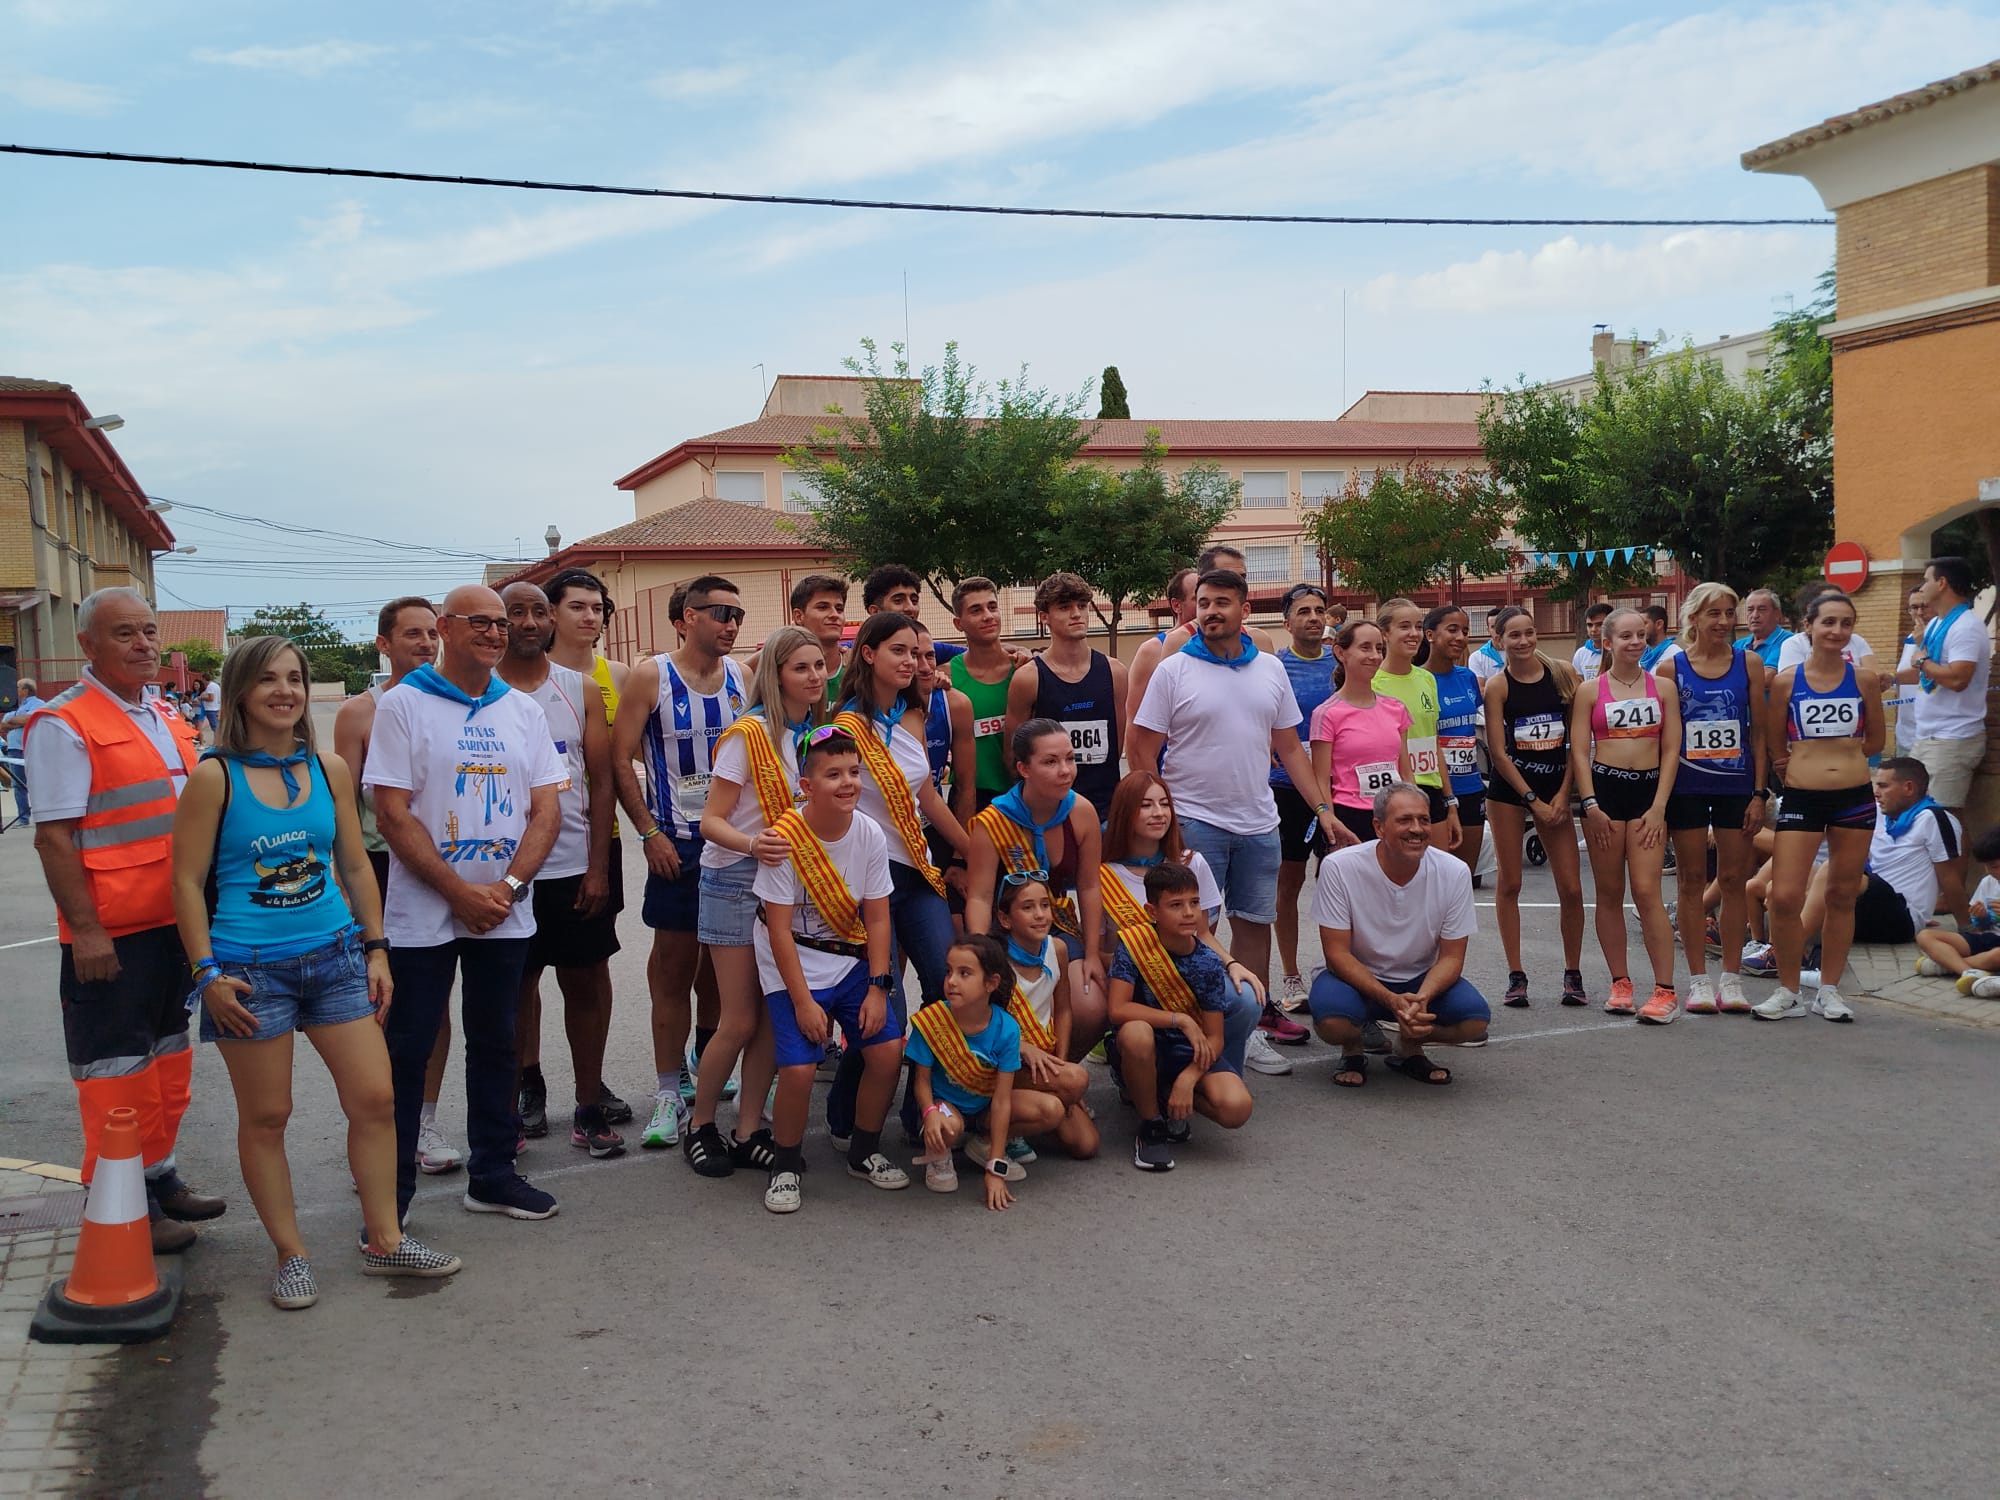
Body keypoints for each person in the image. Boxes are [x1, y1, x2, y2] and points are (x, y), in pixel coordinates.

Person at [171, 636, 460, 1308]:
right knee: (268, 1116)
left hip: (335, 957)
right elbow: (185, 883)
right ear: (240, 690)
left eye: (296, 679)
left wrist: (377, 948)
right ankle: (291, 1254)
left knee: (377, 1100)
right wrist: (206, 974)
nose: (286, 691)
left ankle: (386, 1239)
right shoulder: (215, 776)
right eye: (269, 679)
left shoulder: (328, 768)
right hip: (248, 971)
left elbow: (355, 865)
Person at [25, 587, 223, 1254]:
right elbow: (54, 839)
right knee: (115, 1073)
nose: (142, 645)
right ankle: (121, 1203)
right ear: (87, 645)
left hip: (174, 924)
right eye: (124, 634)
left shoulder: (163, 713)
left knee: (166, 1063)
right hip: (112, 934)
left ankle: (159, 1176)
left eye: (147, 632)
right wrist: (86, 930)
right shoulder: (64, 723)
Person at [366, 582, 567, 1222]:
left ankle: (493, 1175)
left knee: (497, 1042)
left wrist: (505, 890)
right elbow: (390, 813)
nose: (494, 633)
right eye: (478, 622)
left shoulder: (522, 710)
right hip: (423, 914)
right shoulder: (402, 705)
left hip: (504, 911)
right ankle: (392, 1200)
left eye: (500, 623)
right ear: (445, 629)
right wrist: (458, 892)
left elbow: (547, 808)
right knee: (409, 1048)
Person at [1127, 568, 1339, 1007]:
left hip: (1260, 824)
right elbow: (1141, 748)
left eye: (1221, 603)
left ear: (1244, 611)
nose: (1210, 611)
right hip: (1192, 821)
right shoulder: (1174, 670)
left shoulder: (1269, 670)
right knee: (1188, 926)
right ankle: (1191, 1020)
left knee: (1254, 924)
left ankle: (1252, 1021)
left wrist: (1322, 809)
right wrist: (1163, 816)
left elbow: (1291, 751)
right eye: (1203, 603)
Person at [686, 625, 826, 1177]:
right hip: (736, 878)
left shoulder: (817, 733)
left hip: (789, 884)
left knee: (773, 1016)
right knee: (739, 1019)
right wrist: (753, 842)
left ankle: (748, 1130)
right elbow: (710, 820)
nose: (813, 676)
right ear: (775, 674)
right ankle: (701, 1126)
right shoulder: (749, 736)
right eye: (801, 668)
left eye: (818, 666)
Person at [827, 611, 971, 1142]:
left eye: (917, 653)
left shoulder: (904, 723)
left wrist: (973, 852)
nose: (913, 661)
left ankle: (922, 1107)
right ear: (868, 654)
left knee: (949, 984)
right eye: (901, 651)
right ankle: (848, 1115)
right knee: (885, 1008)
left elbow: (926, 799)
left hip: (916, 876)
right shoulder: (844, 727)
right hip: (871, 880)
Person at [332, 597, 464, 1173]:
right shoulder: (360, 713)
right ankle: (376, 1128)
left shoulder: (455, 704)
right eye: (411, 634)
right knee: (383, 1002)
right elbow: (344, 809)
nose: (425, 643)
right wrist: (350, 887)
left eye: (430, 633)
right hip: (384, 870)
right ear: (383, 643)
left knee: (435, 1008)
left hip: (446, 866)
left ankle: (424, 1123)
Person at [611, 575, 743, 1149]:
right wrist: (648, 832)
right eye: (719, 612)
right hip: (679, 845)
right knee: (671, 968)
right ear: (685, 617)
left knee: (722, 968)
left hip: (733, 845)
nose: (731, 623)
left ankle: (707, 1066)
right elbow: (619, 761)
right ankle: (667, 1090)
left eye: (736, 614)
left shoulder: (744, 676)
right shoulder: (651, 675)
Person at [756, 726, 909, 1213]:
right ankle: (785, 1164)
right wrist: (802, 1002)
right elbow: (779, 930)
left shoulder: (866, 832)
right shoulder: (786, 839)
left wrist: (879, 988)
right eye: (833, 774)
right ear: (806, 786)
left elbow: (879, 916)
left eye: (854, 772)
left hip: (847, 960)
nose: (848, 783)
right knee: (799, 1069)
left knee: (887, 1049)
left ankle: (863, 1150)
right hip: (792, 965)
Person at [493, 582, 622, 1159]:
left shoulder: (579, 689)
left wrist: (598, 867)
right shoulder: (477, 690)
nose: (525, 621)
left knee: (586, 982)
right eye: (512, 612)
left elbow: (601, 780)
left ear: (551, 621)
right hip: (502, 871)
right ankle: (528, 1086)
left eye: (536, 611)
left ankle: (589, 1103)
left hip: (572, 864)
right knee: (517, 988)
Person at [536, 566, 636, 1127]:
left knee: (590, 970)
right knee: (523, 975)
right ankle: (529, 1083)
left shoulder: (615, 674)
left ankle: (590, 1085)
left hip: (599, 840)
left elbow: (623, 762)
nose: (590, 617)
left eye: (598, 608)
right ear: (552, 614)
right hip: (526, 852)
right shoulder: (520, 678)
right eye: (578, 606)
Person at [1308, 782, 1490, 1087]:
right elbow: (1336, 954)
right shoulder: (1340, 866)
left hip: (1419, 979)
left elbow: (1452, 957)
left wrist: (1420, 1000)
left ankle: (1409, 1046)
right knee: (1331, 1021)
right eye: (1404, 820)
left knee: (1474, 1021)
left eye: (1424, 820)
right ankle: (1352, 1048)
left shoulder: (1455, 872)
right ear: (1378, 826)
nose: (1417, 829)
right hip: (1357, 978)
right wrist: (1391, 1000)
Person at [1098, 770, 1279, 1076]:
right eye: (1145, 805)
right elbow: (1103, 948)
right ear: (1124, 812)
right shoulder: (1104, 874)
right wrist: (1145, 967)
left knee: (1246, 998)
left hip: (1189, 974)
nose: (1158, 814)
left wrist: (1231, 962)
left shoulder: (1191, 862)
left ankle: (1221, 1073)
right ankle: (1131, 1069)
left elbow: (1203, 933)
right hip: (1132, 981)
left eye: (1164, 804)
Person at [1757, 589, 1884, 1023]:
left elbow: (1877, 741)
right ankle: (1788, 991)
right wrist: (1790, 765)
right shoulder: (1788, 679)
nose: (1837, 631)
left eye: (1845, 623)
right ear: (1808, 626)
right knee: (1786, 895)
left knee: (1841, 894)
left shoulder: (1863, 679)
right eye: (1828, 622)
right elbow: (1776, 738)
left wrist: (1841, 760)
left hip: (1853, 799)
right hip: (1803, 799)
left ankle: (1829, 990)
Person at [1571, 607, 1683, 1022]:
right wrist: (1590, 803)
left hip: (1647, 794)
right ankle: (1620, 983)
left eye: (1641, 635)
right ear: (1607, 642)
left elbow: (1671, 749)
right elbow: (1581, 752)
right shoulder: (1590, 690)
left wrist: (1659, 806)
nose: (1635, 643)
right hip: (1604, 794)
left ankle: (1665, 989)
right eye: (1625, 637)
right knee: (1609, 892)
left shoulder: (1663, 687)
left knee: (1647, 890)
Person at [1661, 581, 1767, 1016]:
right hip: (1686, 786)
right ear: (1693, 618)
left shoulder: (1749, 663)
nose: (1724, 622)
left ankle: (1732, 978)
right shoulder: (1672, 669)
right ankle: (1698, 981)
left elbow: (1758, 732)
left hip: (1735, 786)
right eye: (1714, 613)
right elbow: (1666, 738)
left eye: (1729, 612)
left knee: (1733, 881)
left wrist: (1760, 792)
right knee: (1688, 881)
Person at [1106, 862, 1254, 1171]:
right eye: (1176, 905)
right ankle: (1151, 1126)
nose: (1189, 913)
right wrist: (1180, 1019)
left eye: (1194, 903)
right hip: (1146, 1045)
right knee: (1136, 1033)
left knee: (1236, 1108)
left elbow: (1214, 1037)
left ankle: (1165, 1094)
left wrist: (1188, 1079)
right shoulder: (1133, 945)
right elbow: (1117, 1009)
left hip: (1190, 1049)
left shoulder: (1208, 961)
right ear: (1152, 911)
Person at [963, 719, 1105, 1029]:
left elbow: (1090, 887)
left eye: (1070, 758)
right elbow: (979, 896)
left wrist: (1092, 954)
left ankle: (1055, 1066)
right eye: (1050, 762)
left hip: (1055, 924)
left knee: (1091, 1005)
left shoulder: (1082, 812)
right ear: (1024, 769)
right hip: (1004, 931)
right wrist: (981, 954)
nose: (1065, 770)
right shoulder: (992, 822)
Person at [907, 935, 1066, 1206]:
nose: (952, 981)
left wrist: (996, 1167)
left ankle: (984, 1143)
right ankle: (939, 1153)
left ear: (991, 983)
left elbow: (1002, 1101)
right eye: (949, 971)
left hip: (984, 1108)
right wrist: (929, 1112)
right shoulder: (932, 1020)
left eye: (964, 973)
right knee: (947, 1124)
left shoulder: (1007, 1029)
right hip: (944, 1107)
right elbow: (920, 1082)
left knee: (1052, 1109)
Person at [1481, 605, 1586, 1008]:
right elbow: (1498, 752)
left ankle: (1572, 973)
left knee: (1572, 887)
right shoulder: (1498, 686)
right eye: (1514, 636)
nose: (1523, 641)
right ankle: (1516, 974)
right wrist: (1531, 800)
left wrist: (1562, 795)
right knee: (1510, 883)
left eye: (1529, 633)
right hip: (1512, 791)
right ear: (1498, 641)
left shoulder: (1563, 674)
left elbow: (1575, 744)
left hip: (1556, 788)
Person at [1004, 571, 1128, 819]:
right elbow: (1013, 754)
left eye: (1082, 606)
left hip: (1105, 810)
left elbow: (1117, 745)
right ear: (1044, 617)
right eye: (1064, 607)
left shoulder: (1115, 672)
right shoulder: (1028, 678)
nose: (1076, 614)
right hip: (1050, 812)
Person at [991, 876, 1098, 1161]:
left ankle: (1037, 1110)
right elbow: (982, 1022)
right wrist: (1024, 1049)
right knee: (1074, 1082)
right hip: (1000, 1063)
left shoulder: (1057, 949)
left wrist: (1059, 1066)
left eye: (1045, 906)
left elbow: (1063, 1009)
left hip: (1043, 1057)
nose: (1040, 915)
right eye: (1027, 907)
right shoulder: (994, 957)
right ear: (1004, 918)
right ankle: (984, 1131)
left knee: (1085, 1144)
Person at [1267, 583, 1338, 1009]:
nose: (1313, 617)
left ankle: (1337, 969)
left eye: (1319, 610)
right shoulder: (1274, 667)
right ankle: (1292, 977)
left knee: (1337, 885)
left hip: (1337, 789)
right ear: (1286, 621)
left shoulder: (1341, 663)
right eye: (1304, 611)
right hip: (1286, 790)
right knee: (1288, 885)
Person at [1124, 545, 1276, 734]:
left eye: (1242, 577)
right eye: (1227, 575)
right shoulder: (1173, 644)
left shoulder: (1261, 642)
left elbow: (1277, 719)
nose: (1237, 583)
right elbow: (1139, 722)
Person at [1310, 617, 1414, 849]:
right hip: (1350, 816)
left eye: (1379, 648)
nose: (1375, 656)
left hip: (1393, 813)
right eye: (1365, 648)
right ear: (1340, 652)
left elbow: (1405, 770)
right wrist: (1331, 825)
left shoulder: (1396, 708)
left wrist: (1414, 811)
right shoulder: (1327, 714)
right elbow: (1320, 779)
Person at [1904, 555, 1991, 820]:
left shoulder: (1965, 626)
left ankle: (1954, 864)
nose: (1922, 587)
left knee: (1944, 820)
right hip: (1928, 735)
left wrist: (1921, 659)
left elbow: (1956, 678)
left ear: (1941, 583)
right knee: (1921, 817)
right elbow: (1927, 669)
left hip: (1953, 738)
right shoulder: (1939, 623)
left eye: (1926, 580)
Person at [1374, 596, 1459, 850]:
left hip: (1431, 791)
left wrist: (1450, 800)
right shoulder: (1373, 683)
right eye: (1404, 626)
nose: (1413, 634)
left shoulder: (1427, 679)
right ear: (1385, 633)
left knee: (1435, 877)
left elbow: (1432, 741)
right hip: (1394, 792)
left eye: (1417, 626)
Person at [1424, 605, 1488, 880]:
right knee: (1432, 882)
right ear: (1429, 634)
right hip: (1433, 790)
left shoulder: (1467, 678)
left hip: (1471, 788)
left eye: (1464, 631)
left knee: (1463, 881)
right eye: (1452, 630)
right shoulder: (1418, 680)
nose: (1461, 637)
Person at [945, 576, 1015, 808]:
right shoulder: (946, 678)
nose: (987, 616)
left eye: (992, 607)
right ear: (958, 623)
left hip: (1021, 793)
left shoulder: (1025, 670)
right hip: (971, 797)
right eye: (976, 610)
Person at [1916, 825, 2000, 987]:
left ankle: (1945, 965)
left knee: (1996, 956)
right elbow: (1982, 927)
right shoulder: (1988, 882)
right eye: (1986, 866)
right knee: (1925, 935)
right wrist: (1981, 916)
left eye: (1995, 866)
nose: (1990, 871)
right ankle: (1969, 971)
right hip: (1989, 938)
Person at [1888, 587, 1929, 756]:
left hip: (1929, 737)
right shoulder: (1911, 639)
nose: (1919, 612)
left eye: (1924, 606)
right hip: (1905, 734)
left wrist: (1890, 677)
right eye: (1914, 607)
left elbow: (1921, 672)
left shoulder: (1938, 637)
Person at [2, 676, 46, 827]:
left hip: (32, 748)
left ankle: (44, 816)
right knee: (18, 784)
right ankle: (23, 818)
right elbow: (3, 725)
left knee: (37, 783)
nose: (14, 691)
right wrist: (16, 721)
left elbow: (29, 719)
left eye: (17, 688)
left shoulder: (39, 703)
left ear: (25, 690)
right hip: (15, 750)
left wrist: (14, 721)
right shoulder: (13, 706)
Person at [1738, 588, 1793, 669]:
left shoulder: (1788, 642)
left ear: (1777, 613)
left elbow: (1766, 677)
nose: (1755, 615)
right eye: (1750, 610)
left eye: (1762, 609)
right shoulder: (1738, 644)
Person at [1572, 602, 1612, 681]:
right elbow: (1578, 682)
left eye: (1600, 624)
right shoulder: (1581, 653)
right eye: (1590, 625)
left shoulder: (1620, 651)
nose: (1593, 629)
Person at [200, 672, 222, 742]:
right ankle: (217, 741)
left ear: (204, 679)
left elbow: (211, 698)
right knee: (216, 726)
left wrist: (201, 698)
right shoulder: (216, 685)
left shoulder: (210, 686)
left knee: (214, 727)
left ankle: (217, 742)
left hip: (211, 708)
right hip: (216, 707)